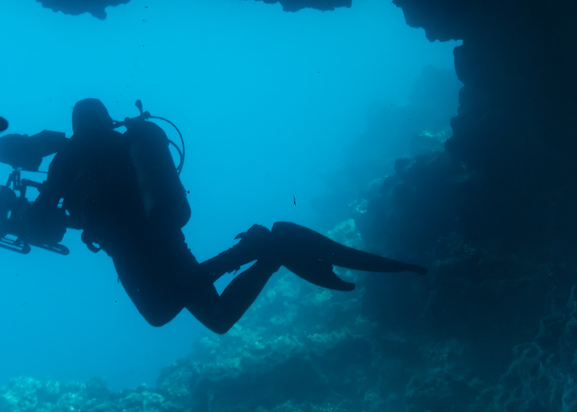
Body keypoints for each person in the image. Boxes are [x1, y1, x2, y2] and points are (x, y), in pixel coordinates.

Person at [25, 98, 426, 334]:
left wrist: (17, 212)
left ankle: (256, 251)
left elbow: (41, 221)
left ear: (75, 127)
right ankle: (270, 251)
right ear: (107, 117)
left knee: (160, 312)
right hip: (163, 234)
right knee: (214, 318)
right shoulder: (130, 141)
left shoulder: (68, 158)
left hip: (128, 249)